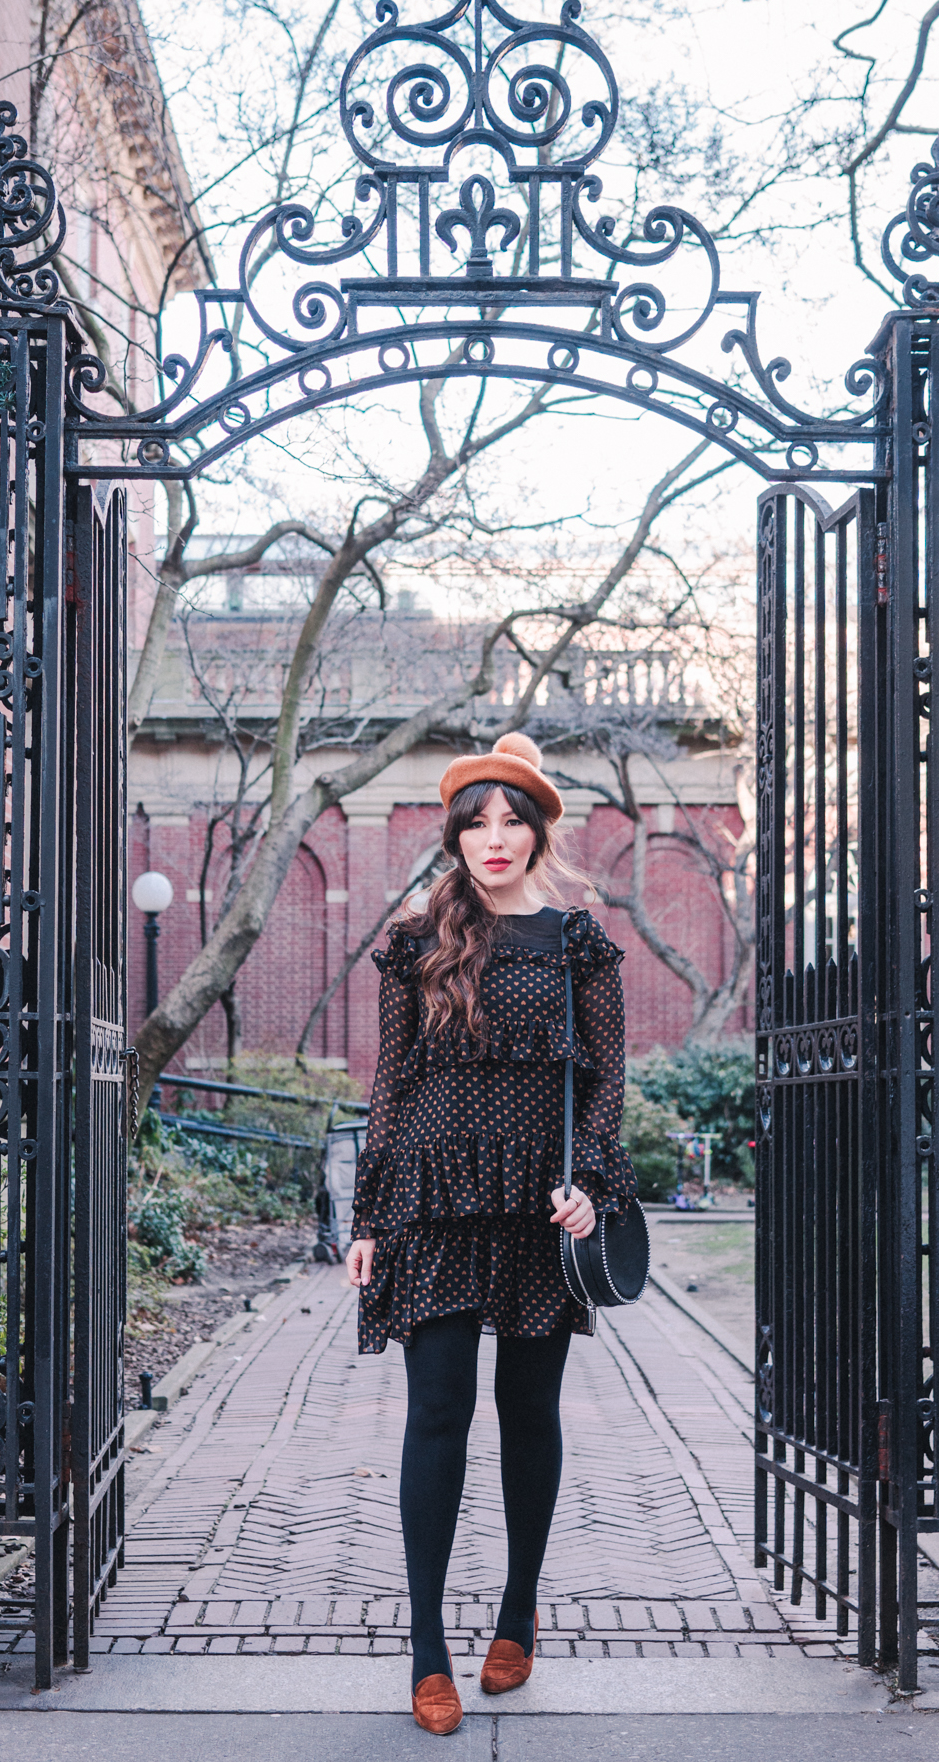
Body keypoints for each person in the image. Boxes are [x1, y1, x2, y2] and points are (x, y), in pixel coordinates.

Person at [345, 731, 638, 1736]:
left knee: (526, 1411)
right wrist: (369, 1218)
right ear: (456, 836)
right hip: (431, 1202)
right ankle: (427, 1651)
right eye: (478, 823)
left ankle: (516, 1614)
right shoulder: (413, 941)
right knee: (435, 1414)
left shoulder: (575, 941)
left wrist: (591, 1182)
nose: (496, 838)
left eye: (513, 820)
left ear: (538, 830)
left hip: (532, 1207)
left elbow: (605, 1080)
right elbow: (388, 1084)